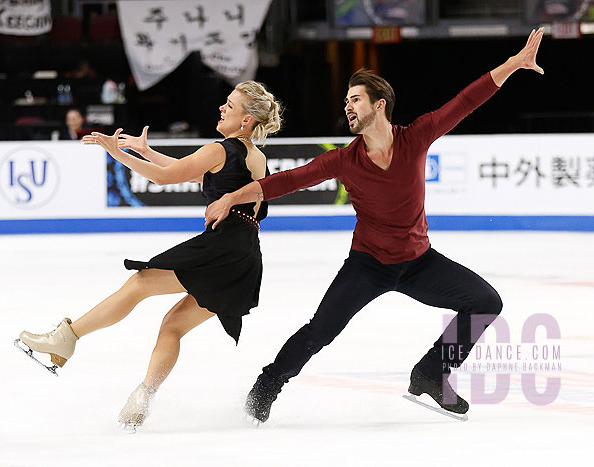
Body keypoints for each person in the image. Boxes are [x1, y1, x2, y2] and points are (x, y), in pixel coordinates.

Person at [205, 28, 545, 423]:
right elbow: (289, 179)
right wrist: (232, 196)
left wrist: (514, 64)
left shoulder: (416, 138)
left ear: (379, 105)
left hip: (419, 263)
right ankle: (266, 386)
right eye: (346, 100)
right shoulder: (344, 159)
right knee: (320, 332)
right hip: (367, 265)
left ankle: (433, 374)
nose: (347, 106)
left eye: (355, 99)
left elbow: (466, 101)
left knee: (486, 302)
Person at [17, 81, 282, 430]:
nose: (222, 109)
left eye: (229, 107)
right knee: (171, 326)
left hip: (223, 248)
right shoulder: (255, 156)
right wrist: (147, 150)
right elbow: (187, 168)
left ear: (246, 121)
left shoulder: (221, 149)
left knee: (139, 283)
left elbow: (164, 178)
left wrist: (119, 155)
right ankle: (142, 397)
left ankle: (65, 340)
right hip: (245, 257)